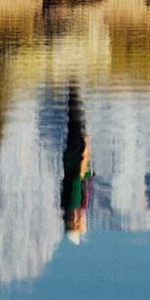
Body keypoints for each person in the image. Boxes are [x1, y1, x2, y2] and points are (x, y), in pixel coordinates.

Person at [60, 82, 94, 242]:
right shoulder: (67, 205)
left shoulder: (73, 204)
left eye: (80, 227)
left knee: (76, 116)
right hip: (71, 155)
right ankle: (72, 85)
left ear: (74, 221)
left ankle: (73, 81)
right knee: (74, 117)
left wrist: (86, 151)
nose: (84, 224)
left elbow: (77, 178)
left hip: (76, 152)